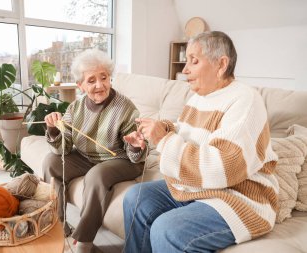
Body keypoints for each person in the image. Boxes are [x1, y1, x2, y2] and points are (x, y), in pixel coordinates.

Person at [123, 31, 279, 252]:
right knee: (135, 197)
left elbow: (223, 167)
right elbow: (183, 131)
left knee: (167, 229)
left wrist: (164, 140)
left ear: (221, 64)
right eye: (186, 61)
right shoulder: (198, 97)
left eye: (193, 61)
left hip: (239, 197)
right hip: (198, 188)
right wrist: (158, 132)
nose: (185, 69)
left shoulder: (245, 100)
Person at [43, 48, 147, 253]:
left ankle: (84, 240)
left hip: (122, 159)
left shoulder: (125, 107)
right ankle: (58, 223)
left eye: (104, 78)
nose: (100, 85)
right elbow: (63, 150)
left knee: (96, 175)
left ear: (110, 78)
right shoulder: (75, 107)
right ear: (80, 85)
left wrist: (135, 145)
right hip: (86, 157)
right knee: (50, 162)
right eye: (91, 81)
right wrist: (54, 130)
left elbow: (136, 153)